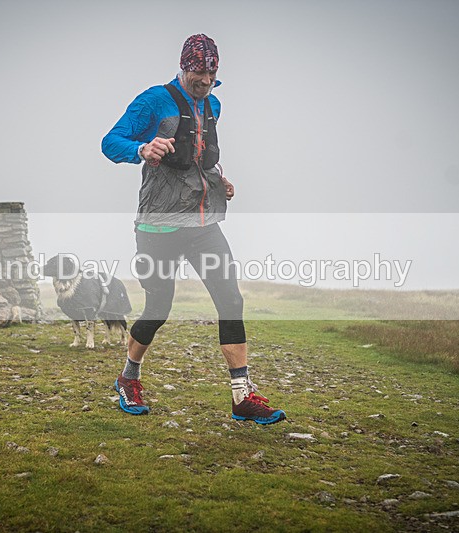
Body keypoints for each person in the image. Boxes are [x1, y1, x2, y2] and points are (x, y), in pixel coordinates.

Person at [101, 34, 286, 424]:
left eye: (211, 74)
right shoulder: (153, 100)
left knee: (231, 300)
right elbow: (110, 141)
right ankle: (128, 377)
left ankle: (242, 395)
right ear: (185, 67)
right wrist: (142, 149)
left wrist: (220, 178)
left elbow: (200, 155)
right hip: (158, 226)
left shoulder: (213, 103)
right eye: (199, 74)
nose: (205, 82)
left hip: (203, 223)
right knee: (158, 307)